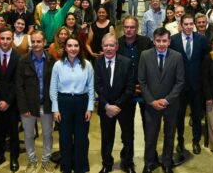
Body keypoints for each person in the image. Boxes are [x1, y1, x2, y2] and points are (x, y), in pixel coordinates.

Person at [138, 28, 184, 173]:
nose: (161, 44)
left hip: (170, 105)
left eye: (164, 41)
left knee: (169, 135)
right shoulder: (145, 55)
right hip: (151, 105)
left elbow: (180, 82)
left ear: (169, 41)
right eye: (158, 41)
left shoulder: (177, 57)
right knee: (151, 136)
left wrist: (167, 100)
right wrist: (151, 101)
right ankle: (149, 162)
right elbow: (142, 80)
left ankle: (166, 162)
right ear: (153, 40)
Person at [50, 36, 95, 173]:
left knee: (81, 137)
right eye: (70, 46)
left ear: (80, 48)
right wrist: (55, 109)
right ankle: (66, 166)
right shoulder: (58, 65)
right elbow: (53, 89)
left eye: (76, 45)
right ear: (65, 48)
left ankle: (80, 166)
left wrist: (90, 108)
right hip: (64, 102)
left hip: (82, 102)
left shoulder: (87, 64)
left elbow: (91, 88)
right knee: (65, 137)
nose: (73, 49)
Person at [94, 34, 136, 173]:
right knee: (106, 136)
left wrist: (117, 105)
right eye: (106, 45)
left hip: (124, 107)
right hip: (105, 107)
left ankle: (128, 162)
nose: (109, 48)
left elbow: (130, 87)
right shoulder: (98, 62)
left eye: (112, 45)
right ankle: (107, 163)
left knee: (127, 136)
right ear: (102, 47)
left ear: (117, 46)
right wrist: (107, 105)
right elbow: (97, 85)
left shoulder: (126, 62)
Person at [168, 14, 209, 158]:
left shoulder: (202, 39)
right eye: (186, 24)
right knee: (179, 117)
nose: (189, 27)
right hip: (179, 87)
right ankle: (180, 141)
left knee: (197, 116)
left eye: (191, 24)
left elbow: (206, 62)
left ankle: (196, 141)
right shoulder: (173, 40)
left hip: (197, 87)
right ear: (181, 24)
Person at [16, 31, 56, 172]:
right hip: (28, 106)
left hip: (46, 106)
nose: (35, 44)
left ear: (44, 42)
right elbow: (19, 86)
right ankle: (32, 160)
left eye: (39, 41)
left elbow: (56, 85)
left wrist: (54, 106)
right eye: (33, 41)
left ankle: (46, 160)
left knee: (47, 134)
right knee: (28, 135)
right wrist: (23, 107)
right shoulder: (23, 61)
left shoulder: (52, 60)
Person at [0, 29, 21, 172]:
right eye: (2, 38)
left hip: (12, 102)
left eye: (8, 38)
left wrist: (8, 101)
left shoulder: (18, 57)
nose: (5, 41)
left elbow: (18, 83)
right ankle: (0, 155)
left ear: (12, 40)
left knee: (14, 132)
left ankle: (14, 158)